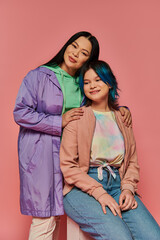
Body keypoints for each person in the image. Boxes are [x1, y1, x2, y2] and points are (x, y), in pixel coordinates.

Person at [13, 32, 131, 240]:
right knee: (46, 218)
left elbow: (98, 105)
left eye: (84, 52)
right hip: (41, 157)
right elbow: (20, 112)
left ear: (89, 60)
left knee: (78, 219)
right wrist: (59, 121)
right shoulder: (39, 76)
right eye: (74, 46)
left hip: (76, 159)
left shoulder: (84, 83)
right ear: (66, 45)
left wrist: (121, 110)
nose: (75, 53)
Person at [60, 60, 160, 240]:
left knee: (154, 236)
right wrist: (100, 193)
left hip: (118, 185)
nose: (92, 86)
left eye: (98, 80)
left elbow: (132, 162)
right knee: (120, 237)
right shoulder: (77, 118)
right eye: (87, 82)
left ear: (110, 82)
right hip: (81, 187)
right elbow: (68, 166)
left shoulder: (123, 118)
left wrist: (128, 189)